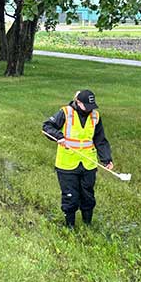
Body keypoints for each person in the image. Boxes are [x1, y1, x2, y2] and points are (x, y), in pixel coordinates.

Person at [42, 90, 113, 228]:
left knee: (88, 196)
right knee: (70, 196)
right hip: (67, 164)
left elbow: (100, 139)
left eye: (91, 106)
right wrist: (59, 137)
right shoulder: (66, 112)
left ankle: (87, 225)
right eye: (86, 106)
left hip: (88, 164)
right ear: (78, 102)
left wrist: (106, 159)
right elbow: (47, 127)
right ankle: (70, 227)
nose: (90, 109)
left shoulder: (95, 116)